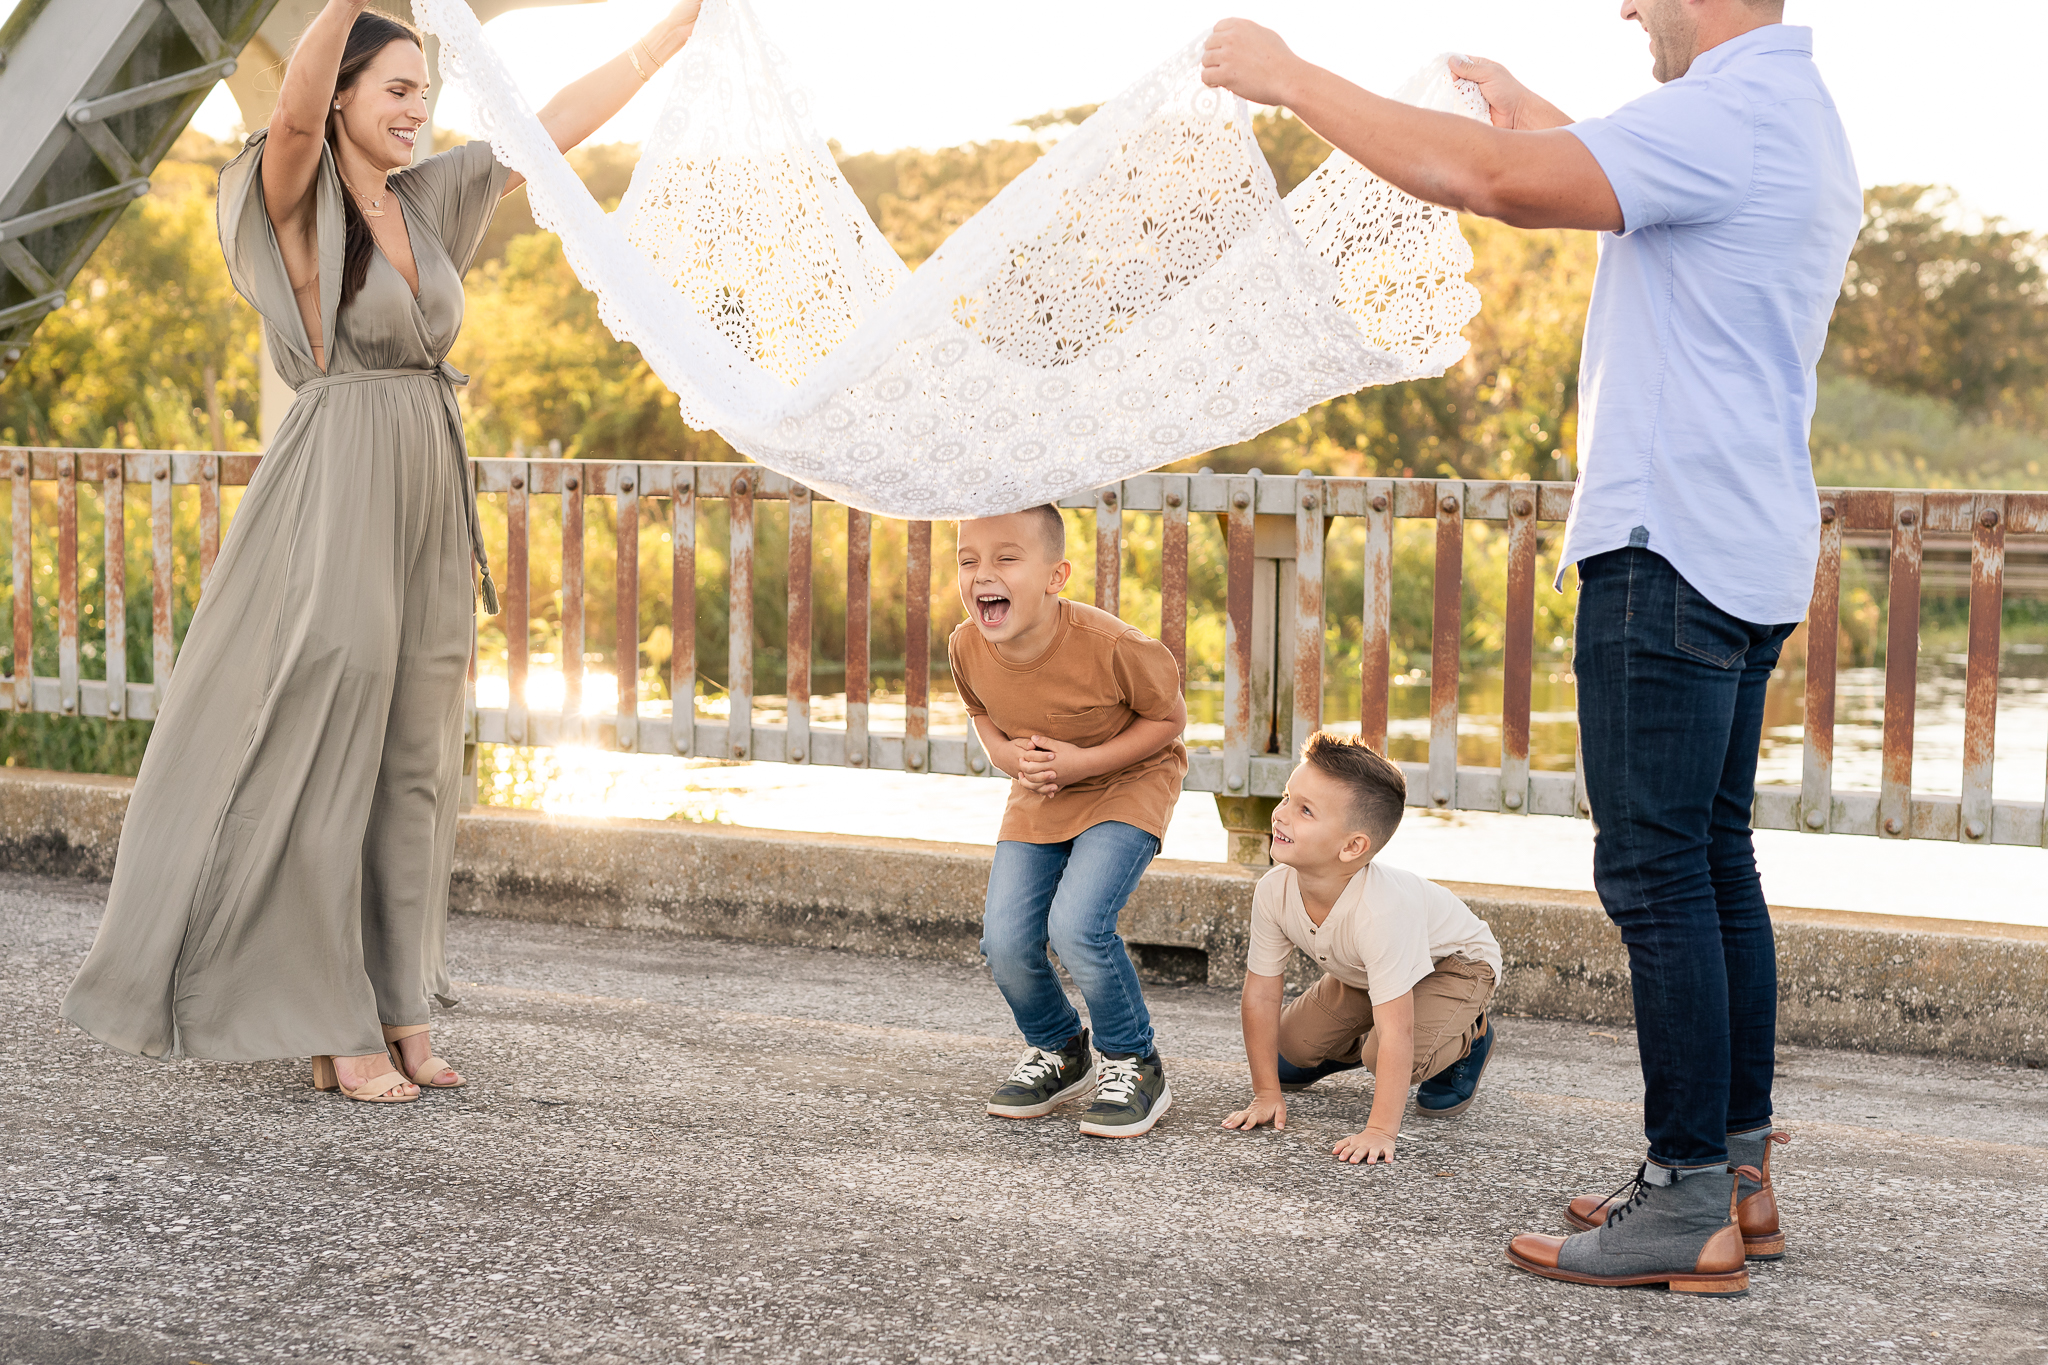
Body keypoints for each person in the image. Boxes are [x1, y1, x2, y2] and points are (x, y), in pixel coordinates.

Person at [1204, 0, 1858, 1295]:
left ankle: (1683, 1204)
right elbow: (1636, 189)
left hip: (1666, 545)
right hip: (1748, 538)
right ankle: (1734, 1175)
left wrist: (1288, 78)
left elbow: (1490, 183)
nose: (1627, 7)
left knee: (1659, 876)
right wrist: (1557, 127)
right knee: (1713, 862)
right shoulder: (1791, 113)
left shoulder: (1723, 110)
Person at [61, 0, 700, 1102]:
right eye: (397, 88)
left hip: (427, 472)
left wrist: (661, 43)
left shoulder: (430, 197)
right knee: (331, 721)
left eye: (427, 90)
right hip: (339, 472)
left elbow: (547, 132)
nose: (419, 108)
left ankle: (399, 1001)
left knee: (414, 749)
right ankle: (327, 1016)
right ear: (346, 93)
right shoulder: (291, 191)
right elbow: (295, 117)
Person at [950, 506, 1188, 1138]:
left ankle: (1134, 1059)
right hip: (1044, 787)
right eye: (968, 560)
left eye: (1005, 558)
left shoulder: (1114, 647)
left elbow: (1168, 722)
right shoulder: (967, 646)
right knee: (1004, 939)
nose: (982, 575)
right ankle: (1059, 1047)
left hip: (1125, 781)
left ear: (1056, 576)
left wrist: (1086, 762)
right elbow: (983, 715)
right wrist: (1009, 759)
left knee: (1079, 926)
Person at [1221, 732, 1503, 1163]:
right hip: (1367, 973)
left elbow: (1398, 1032)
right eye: (1286, 797)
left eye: (1305, 811)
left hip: (1457, 965)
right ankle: (1353, 1039)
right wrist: (1265, 1094)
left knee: (1389, 1054)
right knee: (1288, 1048)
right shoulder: (1273, 890)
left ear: (1352, 846)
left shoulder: (1379, 911)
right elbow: (1260, 994)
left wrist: (1379, 1131)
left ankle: (1473, 1035)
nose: (1280, 815)